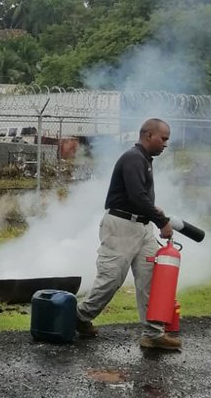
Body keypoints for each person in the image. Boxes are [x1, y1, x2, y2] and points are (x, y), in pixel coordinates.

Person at [76, 118, 181, 351]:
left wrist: (153, 212)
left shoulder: (145, 160)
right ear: (149, 136)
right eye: (163, 139)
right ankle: (80, 316)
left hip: (142, 228)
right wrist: (162, 222)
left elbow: (139, 197)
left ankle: (153, 333)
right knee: (111, 279)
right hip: (121, 226)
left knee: (151, 279)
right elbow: (136, 196)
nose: (165, 144)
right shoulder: (134, 158)